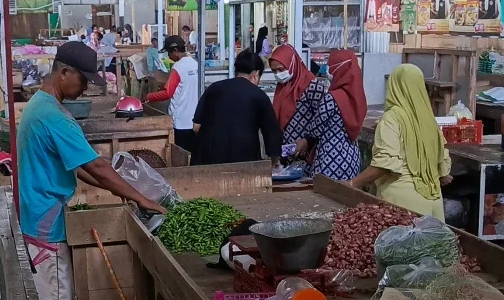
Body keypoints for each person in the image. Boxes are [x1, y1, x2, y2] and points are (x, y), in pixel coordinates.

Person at [17, 41, 166, 300]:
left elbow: (77, 167)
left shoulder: (39, 104)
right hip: (47, 225)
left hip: (37, 216)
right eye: (83, 80)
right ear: (63, 73)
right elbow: (96, 166)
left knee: (54, 299)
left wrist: (115, 186)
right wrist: (141, 199)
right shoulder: (54, 117)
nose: (85, 88)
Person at [351, 64, 452, 219]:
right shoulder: (429, 119)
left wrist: (353, 183)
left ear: (394, 87)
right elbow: (442, 163)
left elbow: (384, 164)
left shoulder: (392, 118)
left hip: (402, 204)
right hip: (434, 202)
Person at [270, 44, 360, 181]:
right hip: (288, 154)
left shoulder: (313, 87)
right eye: (274, 71)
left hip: (307, 156)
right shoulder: (282, 89)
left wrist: (307, 141)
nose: (278, 74)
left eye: (281, 69)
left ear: (293, 64)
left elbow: (321, 122)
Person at [191, 49, 282, 166]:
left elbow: (196, 127)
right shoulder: (258, 95)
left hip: (207, 161)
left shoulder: (214, 88)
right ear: (256, 74)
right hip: (244, 163)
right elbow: (271, 133)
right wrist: (275, 161)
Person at [145, 35, 199, 153]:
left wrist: (149, 97)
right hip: (195, 120)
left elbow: (167, 93)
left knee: (180, 155)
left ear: (175, 51)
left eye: (169, 53)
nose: (168, 57)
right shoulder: (196, 65)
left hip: (180, 121)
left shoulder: (178, 67)